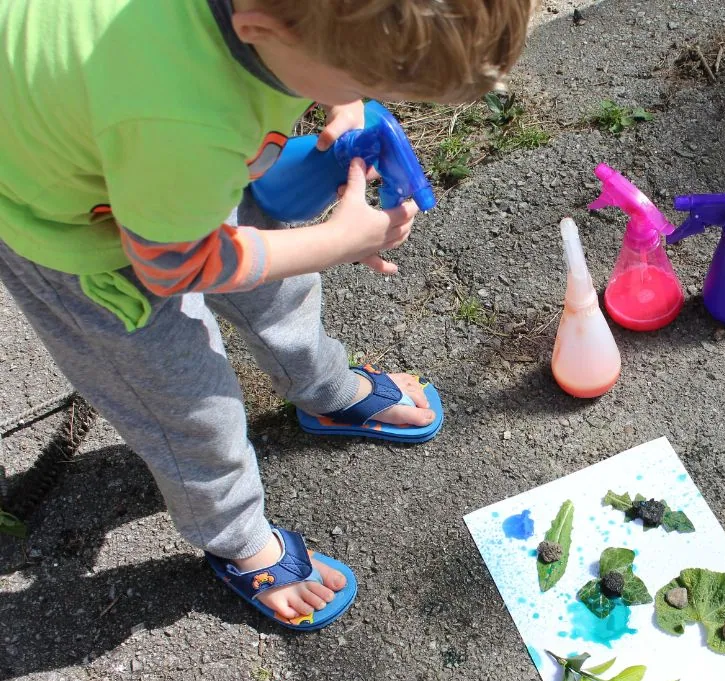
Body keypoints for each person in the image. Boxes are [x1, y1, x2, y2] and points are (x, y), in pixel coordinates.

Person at [0, 0, 531, 630]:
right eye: (358, 81)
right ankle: (237, 539)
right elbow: (174, 267)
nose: (364, 96)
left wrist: (344, 102)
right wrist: (339, 241)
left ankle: (325, 388)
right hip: (76, 235)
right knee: (183, 402)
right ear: (261, 27)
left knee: (280, 282)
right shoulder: (177, 116)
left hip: (164, 156)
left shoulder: (259, 38)